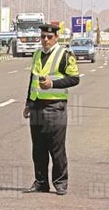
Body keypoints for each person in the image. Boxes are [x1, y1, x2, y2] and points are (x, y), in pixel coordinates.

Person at [23, 23, 80, 196]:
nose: (45, 40)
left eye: (49, 37)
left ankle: (61, 182)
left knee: (56, 148)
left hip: (55, 107)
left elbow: (75, 79)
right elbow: (33, 79)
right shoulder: (37, 54)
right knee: (38, 148)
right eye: (43, 37)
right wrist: (28, 103)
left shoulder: (64, 54)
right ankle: (41, 182)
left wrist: (52, 84)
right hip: (37, 107)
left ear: (56, 37)